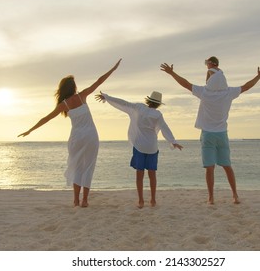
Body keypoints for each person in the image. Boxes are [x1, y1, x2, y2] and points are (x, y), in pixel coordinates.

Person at [160, 57, 260, 204]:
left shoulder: (204, 92)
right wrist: (259, 76)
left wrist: (172, 73)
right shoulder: (228, 92)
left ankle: (211, 198)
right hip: (222, 134)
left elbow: (185, 83)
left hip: (207, 134)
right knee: (227, 166)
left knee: (209, 168)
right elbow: (246, 86)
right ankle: (235, 195)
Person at [18, 59, 122, 207]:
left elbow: (46, 118)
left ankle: (76, 200)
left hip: (77, 137)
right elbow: (99, 81)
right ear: (73, 87)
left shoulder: (64, 104)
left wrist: (30, 130)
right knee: (88, 166)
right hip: (91, 135)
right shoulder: (82, 96)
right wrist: (113, 69)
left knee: (78, 166)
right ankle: (84, 200)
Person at [95, 91, 183, 208]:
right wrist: (173, 142)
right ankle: (152, 200)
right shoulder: (157, 114)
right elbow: (165, 128)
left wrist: (107, 97)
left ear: (148, 100)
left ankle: (141, 200)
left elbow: (123, 103)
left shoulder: (139, 107)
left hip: (139, 147)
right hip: (152, 147)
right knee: (152, 174)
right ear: (158, 104)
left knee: (139, 174)